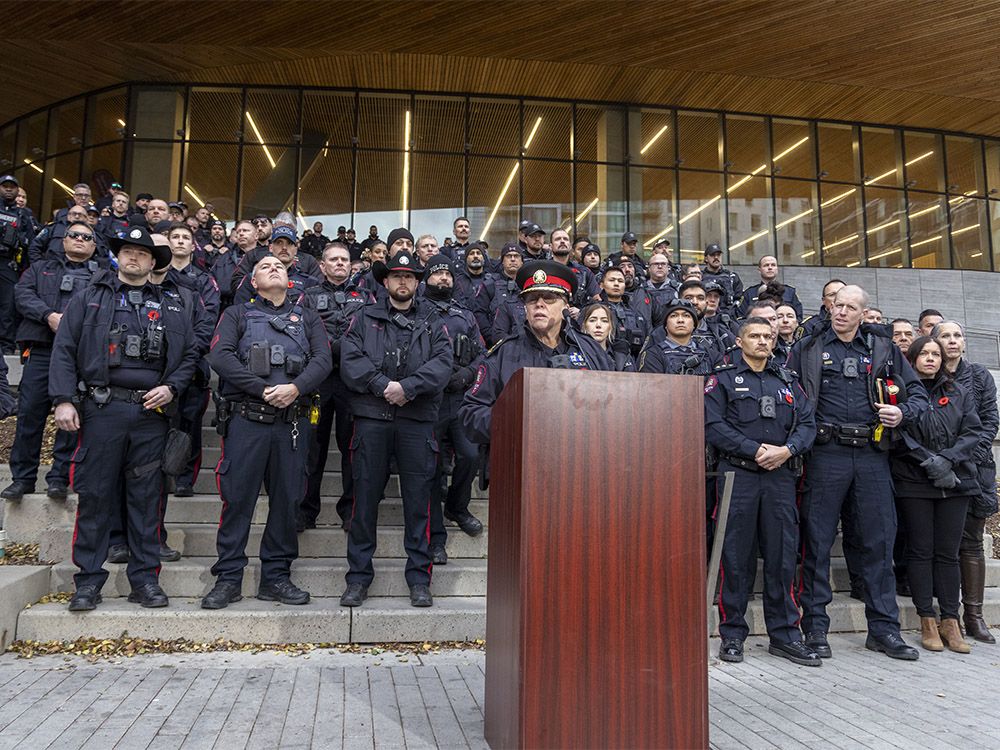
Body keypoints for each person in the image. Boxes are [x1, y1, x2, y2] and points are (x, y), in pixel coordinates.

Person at [49, 225, 199, 611]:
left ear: (153, 262)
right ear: (119, 257)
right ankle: (88, 581)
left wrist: (172, 388)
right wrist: (64, 400)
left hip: (152, 413)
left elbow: (188, 357)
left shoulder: (171, 304)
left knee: (147, 500)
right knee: (96, 496)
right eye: (127, 251)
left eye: (142, 253)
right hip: (102, 410)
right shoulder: (89, 298)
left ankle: (145, 580)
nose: (133, 257)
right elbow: (64, 350)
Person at [788, 284, 928, 661]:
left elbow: (917, 395)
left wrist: (902, 413)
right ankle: (815, 628)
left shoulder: (883, 349)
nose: (842, 312)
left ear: (864, 313)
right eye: (838, 305)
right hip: (824, 455)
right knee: (816, 544)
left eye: (851, 307)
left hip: (871, 455)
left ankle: (884, 630)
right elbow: (790, 395)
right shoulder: (808, 347)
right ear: (830, 308)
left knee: (878, 544)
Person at [202, 255, 332, 610]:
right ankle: (228, 578)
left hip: (292, 423)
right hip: (247, 420)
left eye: (281, 266)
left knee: (288, 502)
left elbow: (324, 360)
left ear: (290, 279)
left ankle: (276, 577)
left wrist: (297, 387)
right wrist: (260, 389)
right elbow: (220, 356)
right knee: (238, 500)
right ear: (254, 282)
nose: (274, 268)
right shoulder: (236, 315)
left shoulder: (307, 316)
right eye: (265, 266)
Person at [339, 249, 453, 609]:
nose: (403, 280)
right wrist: (381, 385)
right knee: (365, 501)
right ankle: (358, 579)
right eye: (396, 275)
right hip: (372, 419)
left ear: (417, 283)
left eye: (409, 275)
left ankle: (419, 578)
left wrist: (409, 387)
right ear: (385, 281)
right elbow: (350, 358)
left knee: (419, 503)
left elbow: (442, 363)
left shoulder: (435, 321)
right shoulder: (363, 317)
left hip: (417, 422)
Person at [706, 316, 818, 666]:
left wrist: (788, 450)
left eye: (767, 336)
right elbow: (711, 424)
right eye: (754, 336)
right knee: (736, 559)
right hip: (737, 477)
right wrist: (753, 449)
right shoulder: (721, 379)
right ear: (740, 342)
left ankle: (784, 635)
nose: (762, 341)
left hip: (780, 478)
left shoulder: (787, 380)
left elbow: (807, 423)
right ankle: (733, 635)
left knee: (782, 558)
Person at [460, 259, 613, 446]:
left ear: (566, 305)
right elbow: (470, 413)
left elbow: (612, 404)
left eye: (548, 298)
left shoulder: (589, 350)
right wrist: (512, 421)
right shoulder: (503, 354)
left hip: (581, 457)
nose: (539, 304)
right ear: (525, 308)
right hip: (519, 457)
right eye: (532, 299)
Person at [891, 336, 980, 654]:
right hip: (914, 480)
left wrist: (948, 459)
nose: (930, 359)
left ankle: (950, 620)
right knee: (920, 551)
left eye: (936, 354)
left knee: (947, 553)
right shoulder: (901, 392)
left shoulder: (959, 391)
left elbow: (974, 431)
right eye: (924, 354)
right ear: (912, 358)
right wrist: (928, 461)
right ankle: (926, 618)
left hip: (954, 481)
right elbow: (898, 434)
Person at [3, 221, 103, 501]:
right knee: (29, 416)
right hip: (42, 349)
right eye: (74, 235)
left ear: (94, 246)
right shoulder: (39, 269)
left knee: (72, 419)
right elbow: (22, 295)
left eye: (86, 237)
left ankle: (59, 478)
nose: (80, 240)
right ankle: (23, 479)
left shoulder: (103, 275)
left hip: (81, 355)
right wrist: (48, 315)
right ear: (63, 240)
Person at [299, 242, 370, 532]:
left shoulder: (366, 297)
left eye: (344, 259)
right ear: (322, 265)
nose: (340, 263)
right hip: (316, 382)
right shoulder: (307, 296)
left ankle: (350, 512)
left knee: (351, 450)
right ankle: (305, 512)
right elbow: (302, 332)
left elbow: (370, 335)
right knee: (310, 450)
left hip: (351, 383)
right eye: (333, 260)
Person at [420, 255, 486, 565]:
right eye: (437, 274)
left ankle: (457, 506)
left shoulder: (466, 315)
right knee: (431, 469)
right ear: (427, 279)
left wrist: (468, 376)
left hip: (460, 396)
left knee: (471, 455)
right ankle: (435, 537)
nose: (443, 279)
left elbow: (482, 355)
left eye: (447, 273)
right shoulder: (418, 311)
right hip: (429, 399)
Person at [936, 321, 999, 644]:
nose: (952, 341)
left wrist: (963, 453)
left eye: (957, 335)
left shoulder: (980, 376)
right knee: (942, 545)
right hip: (939, 470)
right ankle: (945, 616)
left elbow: (990, 422)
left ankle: (973, 615)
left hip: (974, 468)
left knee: (972, 542)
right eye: (945, 336)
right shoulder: (929, 375)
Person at [161, 222, 221, 497]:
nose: (181, 241)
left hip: (193, 363)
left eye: (186, 237)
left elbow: (208, 320)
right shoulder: (158, 275)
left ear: (193, 244)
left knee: (189, 424)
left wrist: (187, 352)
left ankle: (185, 478)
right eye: (176, 237)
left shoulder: (205, 280)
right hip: (159, 365)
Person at [232, 226, 321, 304]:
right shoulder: (252, 279)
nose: (284, 248)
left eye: (289, 243)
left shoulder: (309, 282)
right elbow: (239, 312)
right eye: (279, 243)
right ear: (270, 248)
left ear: (296, 250)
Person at [0, 174, 36, 353]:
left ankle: (6, 345)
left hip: (9, 263)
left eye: (12, 186)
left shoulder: (24, 215)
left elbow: (32, 242)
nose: (8, 189)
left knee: (8, 306)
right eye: (4, 186)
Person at [637, 299, 714, 375]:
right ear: (665, 325)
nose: (680, 320)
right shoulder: (653, 355)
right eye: (674, 316)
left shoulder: (710, 354)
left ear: (694, 324)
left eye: (686, 316)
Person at [737, 256, 803, 319]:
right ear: (759, 270)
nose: (770, 268)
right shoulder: (749, 293)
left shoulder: (790, 292)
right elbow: (741, 317)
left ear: (777, 269)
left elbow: (798, 317)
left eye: (773, 265)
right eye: (766, 265)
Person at [579, 302, 633, 371]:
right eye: (592, 320)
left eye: (604, 321)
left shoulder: (622, 355)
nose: (598, 325)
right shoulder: (576, 353)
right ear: (584, 326)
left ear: (610, 327)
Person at [701, 243, 743, 315]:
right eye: (712, 255)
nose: (716, 257)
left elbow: (739, 299)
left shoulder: (732, 277)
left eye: (718, 255)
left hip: (729, 317)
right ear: (706, 258)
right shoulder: (700, 277)